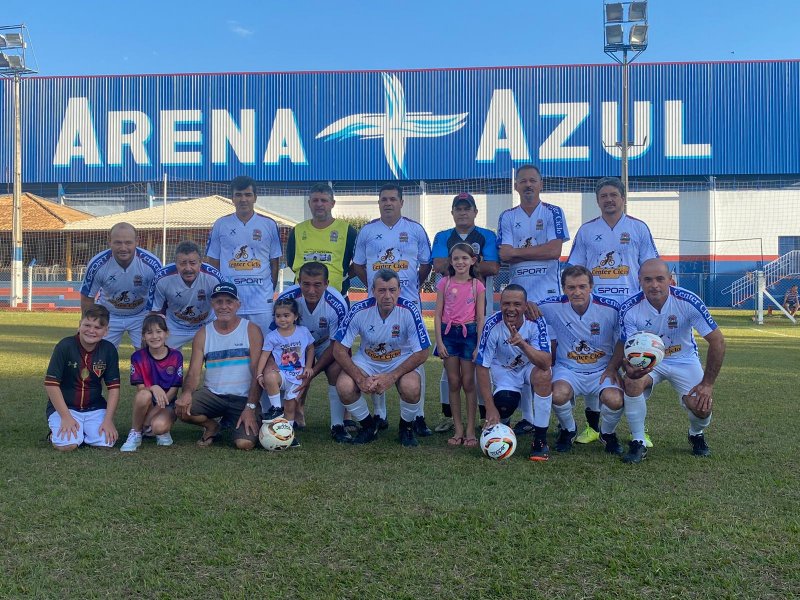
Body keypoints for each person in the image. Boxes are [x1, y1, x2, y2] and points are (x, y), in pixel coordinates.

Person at [567, 176, 659, 445]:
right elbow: (575, 268)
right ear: (598, 201)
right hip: (596, 309)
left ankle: (638, 429)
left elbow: (650, 266)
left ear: (623, 198)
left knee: (634, 366)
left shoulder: (639, 228)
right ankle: (594, 428)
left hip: (631, 309)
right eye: (604, 196)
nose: (609, 200)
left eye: (613, 195)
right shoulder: (586, 231)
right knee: (597, 363)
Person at [618, 259, 726, 464]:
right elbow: (628, 348)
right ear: (639, 281)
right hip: (648, 362)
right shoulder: (630, 308)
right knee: (631, 382)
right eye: (648, 280)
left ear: (670, 279)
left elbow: (717, 341)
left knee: (702, 407)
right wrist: (630, 369)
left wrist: (707, 384)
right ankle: (638, 441)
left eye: (660, 279)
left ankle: (696, 434)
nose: (654, 285)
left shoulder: (687, 301)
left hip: (683, 359)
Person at [351, 183, 432, 435]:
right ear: (379, 203)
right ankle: (379, 414)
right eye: (383, 199)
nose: (388, 203)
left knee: (414, 358)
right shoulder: (367, 231)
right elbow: (358, 265)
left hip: (408, 305)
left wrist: (411, 286)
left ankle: (417, 416)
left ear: (401, 202)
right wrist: (375, 289)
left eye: (392, 199)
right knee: (374, 352)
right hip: (377, 306)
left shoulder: (415, 230)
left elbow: (426, 264)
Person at [497, 164, 569, 435]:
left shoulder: (553, 212)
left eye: (532, 181)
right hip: (518, 298)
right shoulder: (507, 216)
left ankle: (558, 421)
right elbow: (504, 254)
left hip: (549, 299)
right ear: (516, 186)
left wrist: (520, 252)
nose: (528, 185)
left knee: (546, 361)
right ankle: (529, 418)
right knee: (521, 354)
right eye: (523, 181)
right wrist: (524, 252)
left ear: (541, 184)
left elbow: (555, 250)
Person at [332, 269, 431, 447]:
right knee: (344, 386)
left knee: (411, 386)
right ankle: (369, 427)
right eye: (382, 290)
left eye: (392, 290)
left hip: (399, 360)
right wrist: (360, 378)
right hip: (367, 361)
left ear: (399, 290)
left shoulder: (409, 310)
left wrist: (392, 376)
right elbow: (339, 349)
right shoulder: (359, 310)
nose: (387, 295)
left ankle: (406, 429)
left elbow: (423, 352)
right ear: (373, 291)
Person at [537, 265, 626, 455]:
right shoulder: (551, 306)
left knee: (615, 400)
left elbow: (623, 338)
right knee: (558, 394)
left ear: (591, 286)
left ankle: (607, 433)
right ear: (563, 288)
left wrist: (613, 367)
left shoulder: (611, 308)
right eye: (571, 287)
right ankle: (568, 430)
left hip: (601, 369)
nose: (577, 292)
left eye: (582, 286)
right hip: (568, 369)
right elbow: (527, 308)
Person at [430, 192, 499, 433]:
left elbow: (493, 266)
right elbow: (437, 264)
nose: (462, 212)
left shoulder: (487, 235)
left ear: (475, 212)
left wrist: (466, 266)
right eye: (458, 208)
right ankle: (452, 418)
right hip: (450, 324)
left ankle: (479, 418)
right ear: (452, 212)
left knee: (478, 370)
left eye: (467, 208)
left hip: (476, 318)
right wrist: (470, 264)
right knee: (451, 378)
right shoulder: (442, 236)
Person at [175, 282, 263, 449]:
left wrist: (250, 407)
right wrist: (186, 393)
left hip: (242, 399)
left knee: (244, 444)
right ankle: (212, 425)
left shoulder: (251, 330)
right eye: (219, 301)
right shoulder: (203, 333)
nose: (224, 306)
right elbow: (194, 373)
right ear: (212, 304)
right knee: (182, 410)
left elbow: (257, 373)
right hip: (213, 395)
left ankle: (233, 420)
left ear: (238, 304)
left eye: (229, 302)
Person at [275, 262, 351, 443]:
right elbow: (277, 334)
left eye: (317, 285)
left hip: (326, 343)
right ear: (298, 282)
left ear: (326, 284)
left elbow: (337, 344)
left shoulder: (337, 303)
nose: (311, 290)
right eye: (306, 284)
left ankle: (337, 425)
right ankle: (287, 417)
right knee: (289, 370)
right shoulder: (287, 298)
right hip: (295, 342)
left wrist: (313, 371)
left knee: (336, 369)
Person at [476, 285, 553, 461]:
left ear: (526, 306)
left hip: (529, 367)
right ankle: (501, 427)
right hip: (505, 369)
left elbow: (546, 362)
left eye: (517, 304)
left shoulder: (536, 322)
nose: (511, 309)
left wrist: (522, 344)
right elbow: (482, 367)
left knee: (544, 375)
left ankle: (540, 441)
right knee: (504, 403)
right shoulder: (492, 325)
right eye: (506, 304)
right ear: (500, 304)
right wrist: (490, 408)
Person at [206, 175, 282, 336]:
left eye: (248, 195)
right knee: (231, 345)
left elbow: (275, 262)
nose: (243, 199)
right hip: (231, 299)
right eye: (238, 195)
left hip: (261, 301)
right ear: (232, 198)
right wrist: (221, 290)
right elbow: (213, 261)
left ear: (255, 197)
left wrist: (268, 289)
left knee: (264, 346)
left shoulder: (269, 224)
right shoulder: (221, 224)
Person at [44, 305, 121, 451]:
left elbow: (114, 389)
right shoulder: (65, 346)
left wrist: (108, 420)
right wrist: (66, 417)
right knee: (68, 445)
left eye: (98, 327)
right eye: (87, 325)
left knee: (106, 442)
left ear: (106, 331)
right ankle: (57, 433)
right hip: (66, 408)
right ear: (79, 325)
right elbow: (51, 384)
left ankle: (84, 432)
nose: (91, 330)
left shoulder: (109, 350)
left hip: (95, 408)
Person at [434, 243, 486, 447]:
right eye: (456, 258)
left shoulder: (477, 285)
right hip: (449, 335)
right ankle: (458, 429)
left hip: (469, 335)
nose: (460, 262)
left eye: (464, 258)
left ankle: (471, 430)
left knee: (469, 383)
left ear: (472, 260)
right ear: (451, 261)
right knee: (453, 382)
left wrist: (478, 345)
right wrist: (439, 341)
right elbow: (437, 315)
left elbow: (480, 317)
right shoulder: (444, 283)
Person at [80, 222, 162, 349]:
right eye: (118, 242)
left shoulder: (152, 264)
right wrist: (87, 324)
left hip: (141, 314)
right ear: (109, 242)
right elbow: (87, 297)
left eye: (128, 242)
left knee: (149, 354)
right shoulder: (97, 264)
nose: (123, 248)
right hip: (108, 314)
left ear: (137, 241)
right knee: (99, 354)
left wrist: (153, 324)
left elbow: (159, 297)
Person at [256, 297, 314, 447]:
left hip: (297, 377)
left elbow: (310, 348)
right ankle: (275, 408)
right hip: (281, 374)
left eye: (286, 315)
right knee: (270, 377)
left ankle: (288, 434)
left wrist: (308, 366)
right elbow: (264, 355)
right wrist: (259, 374)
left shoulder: (303, 331)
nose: (282, 319)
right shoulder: (272, 336)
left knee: (290, 407)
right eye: (278, 316)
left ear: (295, 316)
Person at [120, 314, 183, 452]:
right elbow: (141, 389)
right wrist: (154, 387)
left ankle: (154, 427)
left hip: (167, 403)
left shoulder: (176, 356)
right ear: (143, 336)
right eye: (149, 333)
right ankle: (136, 432)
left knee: (159, 427)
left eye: (159, 331)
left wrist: (148, 420)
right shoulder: (138, 357)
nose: (154, 336)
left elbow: (173, 392)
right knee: (144, 395)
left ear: (166, 333)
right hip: (148, 401)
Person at [147, 240, 224, 349]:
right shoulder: (162, 278)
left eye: (193, 263)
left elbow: (223, 307)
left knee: (216, 360)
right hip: (174, 326)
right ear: (175, 262)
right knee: (161, 359)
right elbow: (155, 311)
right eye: (183, 263)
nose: (188, 268)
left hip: (206, 324)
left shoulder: (213, 277)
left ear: (200, 262)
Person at [285, 183, 359, 296]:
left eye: (324, 200)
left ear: (332, 203)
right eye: (315, 200)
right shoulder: (298, 230)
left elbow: (359, 261)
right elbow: (291, 262)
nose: (319, 204)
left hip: (336, 296)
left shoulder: (347, 230)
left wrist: (344, 275)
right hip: (301, 297)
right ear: (309, 203)